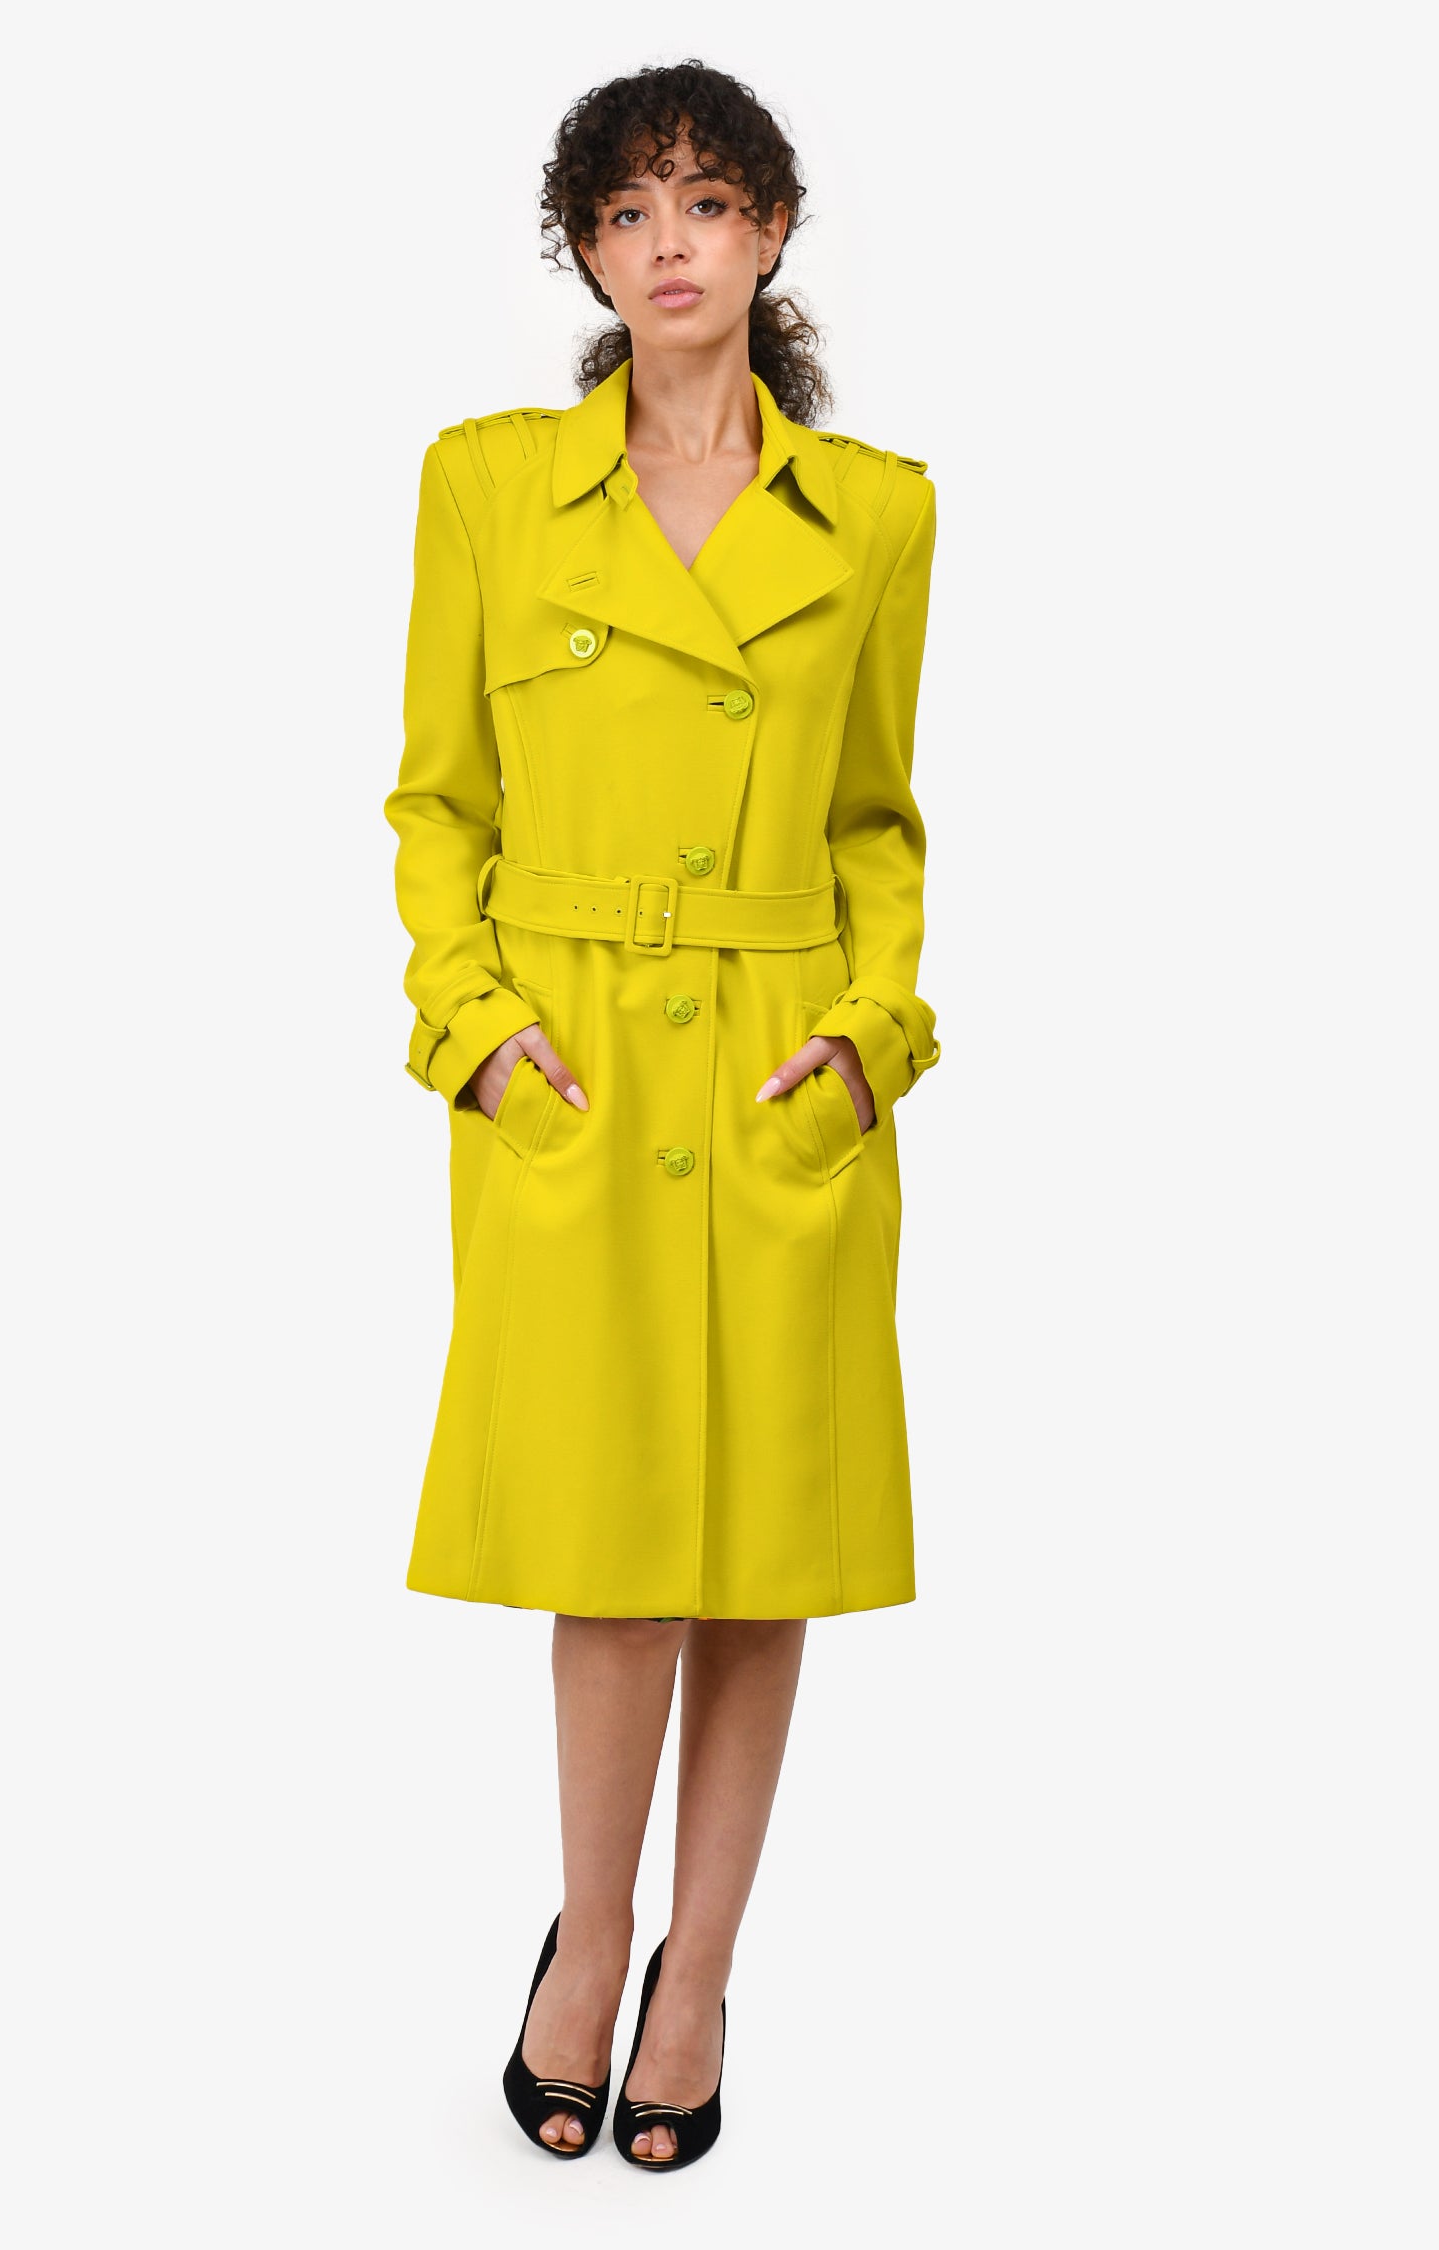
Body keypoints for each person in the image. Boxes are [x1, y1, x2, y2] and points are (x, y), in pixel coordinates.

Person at [382, 58, 940, 2172]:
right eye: (626, 213)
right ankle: (589, 1939)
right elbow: (439, 801)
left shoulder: (875, 512)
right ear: (588, 256)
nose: (669, 242)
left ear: (773, 233)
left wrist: (873, 1033)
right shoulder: (484, 485)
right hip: (579, 1072)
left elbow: (877, 817)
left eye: (706, 201)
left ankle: (698, 1972)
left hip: (784, 1064)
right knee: (613, 1558)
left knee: (756, 1557)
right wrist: (471, 1027)